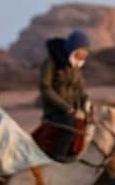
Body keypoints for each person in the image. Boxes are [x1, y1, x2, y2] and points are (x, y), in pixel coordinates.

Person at [39, 29, 91, 159]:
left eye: (85, 54)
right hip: (55, 111)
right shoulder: (51, 62)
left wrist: (86, 102)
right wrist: (67, 108)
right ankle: (59, 156)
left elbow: (80, 90)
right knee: (70, 125)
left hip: (73, 110)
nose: (82, 57)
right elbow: (45, 88)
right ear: (72, 49)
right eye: (80, 53)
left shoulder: (76, 67)